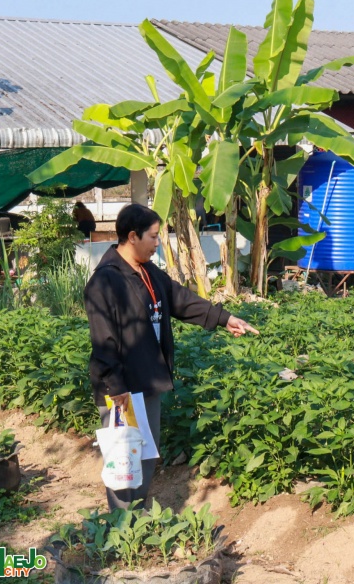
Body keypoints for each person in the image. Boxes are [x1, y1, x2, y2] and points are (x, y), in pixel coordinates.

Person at [84, 203, 258, 510]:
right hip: (122, 388)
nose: (157, 243)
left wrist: (224, 318)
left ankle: (136, 524)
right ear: (133, 236)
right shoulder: (105, 281)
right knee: (124, 461)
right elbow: (103, 338)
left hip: (148, 379)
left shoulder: (148, 273)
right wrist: (116, 386)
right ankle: (120, 528)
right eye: (153, 237)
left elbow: (181, 300)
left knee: (145, 456)